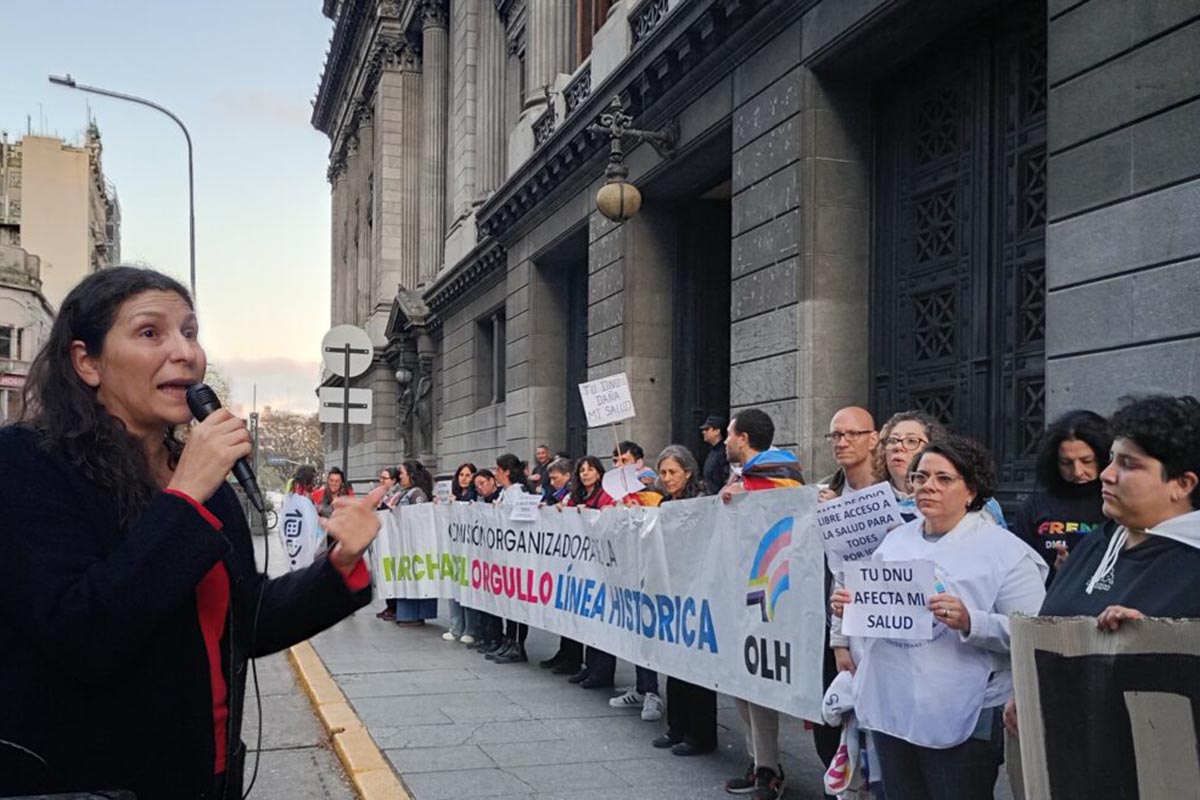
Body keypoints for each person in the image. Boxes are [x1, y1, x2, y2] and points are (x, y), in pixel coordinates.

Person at [0, 267, 384, 798]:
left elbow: (245, 622)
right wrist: (182, 499)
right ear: (86, 361)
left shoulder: (205, 483)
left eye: (191, 331)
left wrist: (338, 568)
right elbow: (82, 635)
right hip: (93, 783)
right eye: (151, 333)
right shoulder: (27, 464)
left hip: (206, 775)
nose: (185, 353)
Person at [831, 435, 1047, 800]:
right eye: (920, 477)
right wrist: (851, 607)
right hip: (893, 705)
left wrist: (970, 621)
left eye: (944, 479)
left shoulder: (1006, 554)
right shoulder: (894, 542)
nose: (927, 486)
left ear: (971, 490)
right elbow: (876, 613)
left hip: (966, 709)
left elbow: (1035, 633)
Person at [1004, 396, 1200, 754]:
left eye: (1128, 464)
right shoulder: (1102, 539)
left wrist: (1165, 646)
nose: (1107, 474)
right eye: (1111, 458)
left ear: (1183, 484)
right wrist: (1029, 691)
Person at [720, 408, 805, 800]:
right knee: (741, 679)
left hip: (768, 590)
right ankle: (758, 762)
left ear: (743, 438)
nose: (724, 440)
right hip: (739, 589)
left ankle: (770, 769)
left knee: (759, 679)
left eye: (729, 434)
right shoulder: (743, 478)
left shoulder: (778, 477)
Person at [816, 407, 879, 772]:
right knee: (832, 729)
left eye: (852, 434)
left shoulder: (898, 491)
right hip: (838, 623)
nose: (842, 442)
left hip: (882, 631)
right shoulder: (826, 488)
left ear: (873, 439)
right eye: (835, 435)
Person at [649, 445, 717, 757]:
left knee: (697, 666)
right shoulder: (664, 502)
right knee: (673, 662)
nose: (667, 478)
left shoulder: (703, 500)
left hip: (699, 591)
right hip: (672, 591)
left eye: (672, 472)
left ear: (688, 471)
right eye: (663, 473)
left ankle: (700, 735)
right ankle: (676, 727)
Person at [1012, 410, 1111, 577]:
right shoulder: (1035, 506)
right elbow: (1018, 571)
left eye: (1087, 461)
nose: (1078, 471)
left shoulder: (1116, 502)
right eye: (1066, 463)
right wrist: (1053, 572)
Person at [564, 455, 618, 689]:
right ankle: (589, 666)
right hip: (583, 567)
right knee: (587, 618)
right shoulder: (576, 496)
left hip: (603, 567)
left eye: (590, 469)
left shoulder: (606, 495)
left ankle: (602, 672)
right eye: (582, 470)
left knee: (602, 618)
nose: (585, 473)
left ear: (599, 472)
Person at [538, 458, 586, 675]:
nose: (552, 481)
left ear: (567, 476)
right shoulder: (558, 494)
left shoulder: (571, 494)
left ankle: (574, 658)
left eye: (555, 478)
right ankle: (565, 653)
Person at [486, 453, 534, 664]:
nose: (495, 473)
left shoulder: (519, 492)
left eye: (498, 469)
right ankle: (508, 640)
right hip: (505, 555)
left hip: (518, 556)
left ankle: (517, 644)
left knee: (517, 602)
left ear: (506, 471)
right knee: (507, 600)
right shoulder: (505, 492)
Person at [393, 460, 437, 627]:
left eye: (402, 473)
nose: (399, 477)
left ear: (410, 475)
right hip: (404, 541)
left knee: (414, 577)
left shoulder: (417, 494)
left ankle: (415, 614)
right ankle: (407, 613)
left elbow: (420, 517)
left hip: (415, 543)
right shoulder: (404, 492)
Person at [699, 414, 731, 494]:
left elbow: (725, 478)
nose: (703, 432)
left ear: (717, 431)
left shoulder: (723, 453)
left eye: (707, 429)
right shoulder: (713, 452)